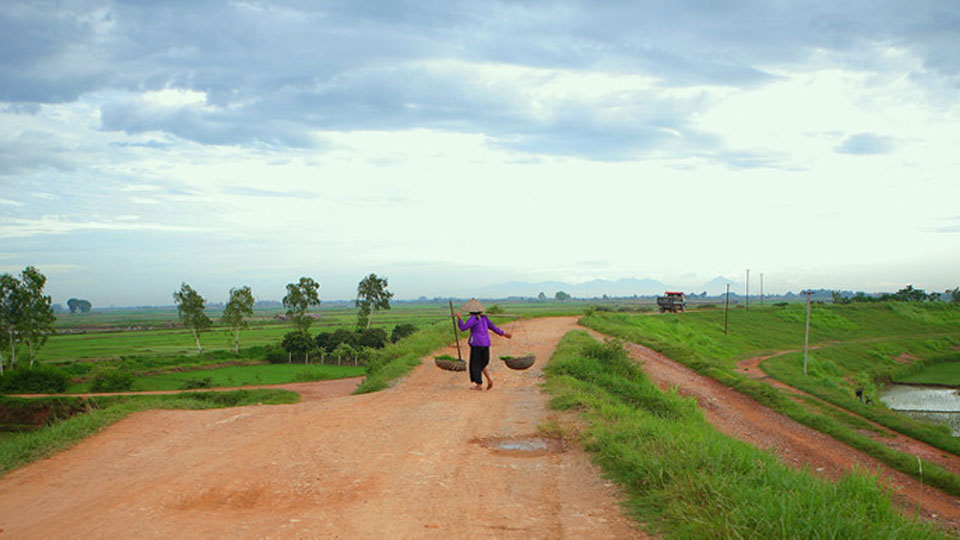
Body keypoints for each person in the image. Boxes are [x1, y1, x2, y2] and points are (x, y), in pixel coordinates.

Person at [455, 298, 511, 390]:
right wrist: (503, 334)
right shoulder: (485, 318)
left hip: (476, 344)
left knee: (475, 364)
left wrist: (459, 319)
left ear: (470, 311)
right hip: (486, 344)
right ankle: (489, 379)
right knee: (481, 363)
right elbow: (493, 327)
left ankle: (479, 385)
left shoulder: (473, 319)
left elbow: (463, 328)